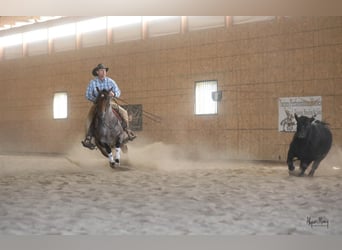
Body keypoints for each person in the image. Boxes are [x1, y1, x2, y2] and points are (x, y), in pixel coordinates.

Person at [81, 63, 136, 150]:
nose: (103, 72)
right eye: (101, 71)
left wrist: (114, 93)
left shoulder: (110, 81)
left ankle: (127, 130)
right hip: (97, 104)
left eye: (104, 71)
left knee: (124, 112)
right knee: (89, 118)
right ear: (97, 72)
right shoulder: (92, 83)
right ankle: (89, 138)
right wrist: (96, 99)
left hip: (110, 103)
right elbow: (87, 95)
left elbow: (118, 92)